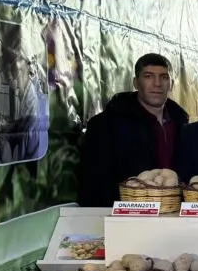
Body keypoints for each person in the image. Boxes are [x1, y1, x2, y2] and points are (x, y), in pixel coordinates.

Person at [76, 53, 189, 206]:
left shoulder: (182, 123)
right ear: (136, 82)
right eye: (148, 76)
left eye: (164, 77)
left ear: (171, 84)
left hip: (172, 211)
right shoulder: (106, 124)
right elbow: (92, 182)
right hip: (124, 213)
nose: (157, 84)